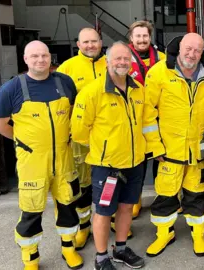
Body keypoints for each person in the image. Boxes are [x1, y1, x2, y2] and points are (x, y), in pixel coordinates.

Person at [0, 40, 83, 270]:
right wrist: (23, 142)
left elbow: (75, 113)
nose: (40, 60)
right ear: (25, 59)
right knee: (31, 212)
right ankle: (30, 259)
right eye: (34, 56)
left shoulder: (64, 83)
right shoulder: (11, 89)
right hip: (33, 162)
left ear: (49, 58)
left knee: (68, 206)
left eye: (44, 56)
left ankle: (69, 249)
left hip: (64, 159)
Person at [143, 33, 204, 257]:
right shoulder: (159, 72)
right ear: (179, 48)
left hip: (199, 150)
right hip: (168, 151)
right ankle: (164, 234)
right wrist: (155, 147)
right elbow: (147, 114)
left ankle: (198, 235)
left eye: (197, 51)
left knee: (196, 195)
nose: (192, 54)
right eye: (188, 49)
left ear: (203, 53)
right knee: (165, 195)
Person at [71, 41, 147, 270]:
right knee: (104, 212)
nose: (123, 63)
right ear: (107, 62)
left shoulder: (137, 90)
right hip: (107, 167)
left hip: (135, 163)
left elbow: (143, 123)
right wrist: (104, 148)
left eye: (127, 59)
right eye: (118, 59)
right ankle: (102, 256)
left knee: (126, 207)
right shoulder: (92, 92)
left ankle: (121, 249)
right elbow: (79, 131)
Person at [56, 27, 107, 250]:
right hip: (80, 138)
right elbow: (60, 105)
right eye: (85, 42)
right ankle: (84, 225)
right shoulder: (67, 68)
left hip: (108, 136)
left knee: (110, 180)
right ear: (78, 45)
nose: (90, 46)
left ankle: (109, 220)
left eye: (94, 41)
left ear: (101, 42)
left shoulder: (111, 63)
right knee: (83, 183)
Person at [124, 20, 166, 223]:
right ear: (131, 38)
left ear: (150, 37)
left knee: (161, 159)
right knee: (136, 163)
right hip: (134, 119)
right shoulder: (123, 59)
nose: (142, 39)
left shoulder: (163, 59)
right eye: (138, 36)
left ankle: (163, 196)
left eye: (145, 36)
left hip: (160, 117)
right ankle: (135, 199)